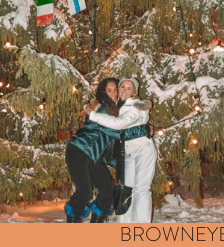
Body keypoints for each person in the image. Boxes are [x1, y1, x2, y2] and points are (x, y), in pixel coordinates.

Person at [64, 77, 151, 223]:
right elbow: (119, 132)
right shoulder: (103, 109)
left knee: (107, 192)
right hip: (78, 150)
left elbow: (112, 143)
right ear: (103, 93)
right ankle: (72, 221)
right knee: (84, 192)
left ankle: (97, 224)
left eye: (115, 89)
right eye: (109, 90)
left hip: (93, 156)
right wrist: (144, 130)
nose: (114, 93)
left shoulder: (114, 110)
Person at [89, 76, 157, 223]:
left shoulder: (136, 106)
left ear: (134, 92)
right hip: (127, 154)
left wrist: (93, 115)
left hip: (143, 150)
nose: (124, 90)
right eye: (122, 87)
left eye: (129, 88)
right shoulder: (116, 107)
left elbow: (119, 124)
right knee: (125, 190)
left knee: (141, 190)